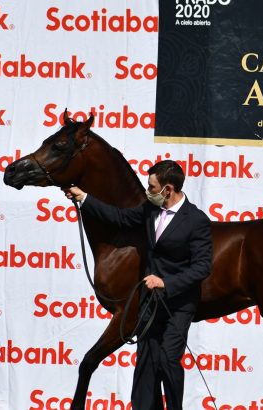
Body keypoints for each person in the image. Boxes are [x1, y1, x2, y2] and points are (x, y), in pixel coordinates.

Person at [64, 160, 212, 410]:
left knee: (168, 360)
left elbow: (202, 267)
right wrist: (84, 198)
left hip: (178, 304)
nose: (147, 191)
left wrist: (166, 282)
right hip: (150, 303)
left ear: (168, 189)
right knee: (145, 363)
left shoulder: (196, 220)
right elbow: (118, 217)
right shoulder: (150, 210)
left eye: (151, 187)